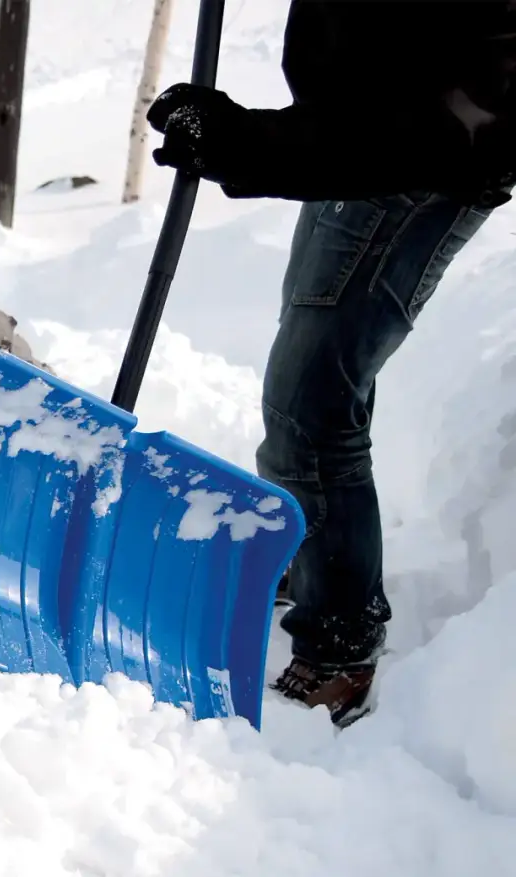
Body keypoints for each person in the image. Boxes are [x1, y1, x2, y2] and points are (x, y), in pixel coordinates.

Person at [146, 1, 516, 728]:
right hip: (357, 133)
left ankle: (339, 641)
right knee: (305, 377)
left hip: (418, 157)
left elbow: (443, 108)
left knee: (311, 404)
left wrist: (247, 143)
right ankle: (313, 556)